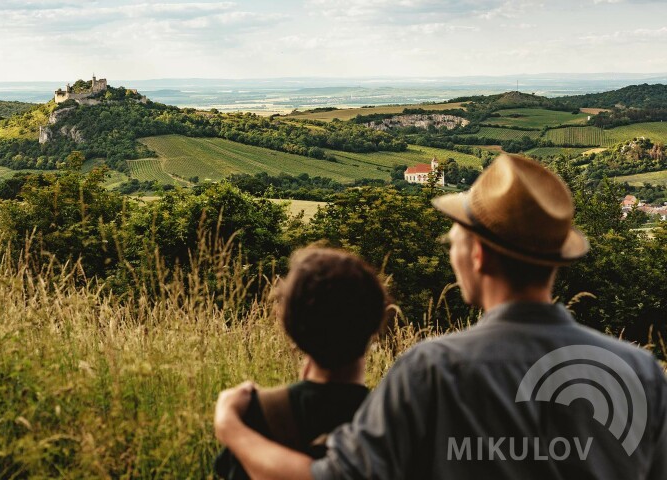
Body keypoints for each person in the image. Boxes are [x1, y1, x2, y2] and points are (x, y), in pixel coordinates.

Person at [214, 153, 667, 479]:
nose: (450, 248)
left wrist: (232, 429)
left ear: (480, 257)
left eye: (455, 237)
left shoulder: (434, 371)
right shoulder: (641, 373)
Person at [214, 247, 388, 479]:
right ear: (375, 324)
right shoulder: (391, 421)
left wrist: (228, 422)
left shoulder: (257, 415)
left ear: (290, 327)